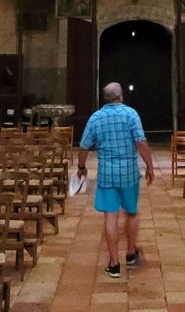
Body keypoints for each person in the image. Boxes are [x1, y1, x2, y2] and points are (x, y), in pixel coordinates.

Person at [76, 82, 154, 278]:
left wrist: (81, 167)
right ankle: (130, 253)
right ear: (120, 97)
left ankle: (114, 263)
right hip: (128, 172)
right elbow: (141, 142)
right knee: (132, 212)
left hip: (107, 173)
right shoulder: (131, 114)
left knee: (110, 216)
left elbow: (84, 146)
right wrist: (149, 165)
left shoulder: (96, 118)